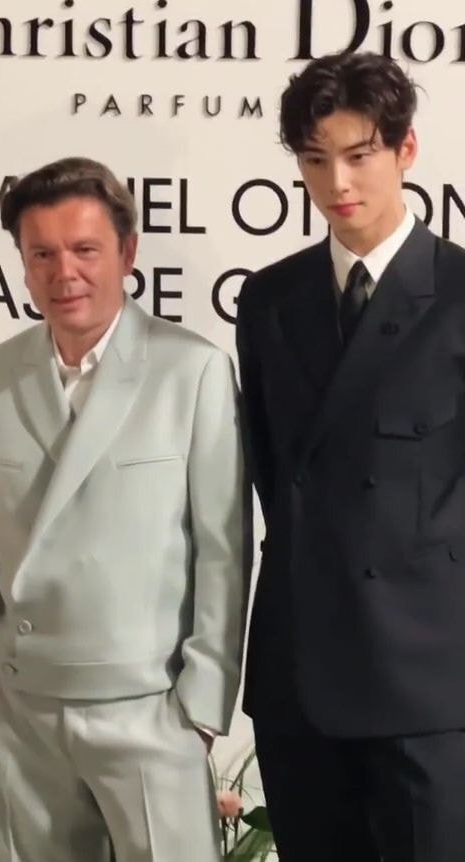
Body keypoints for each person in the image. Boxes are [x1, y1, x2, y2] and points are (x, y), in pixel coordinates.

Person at [0, 156, 249, 862]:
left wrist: (201, 710)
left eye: (85, 250)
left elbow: (223, 550)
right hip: (21, 708)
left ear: (127, 253)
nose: (65, 273)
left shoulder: (191, 369)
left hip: (150, 708)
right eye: (42, 255)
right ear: (22, 265)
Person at [237, 50, 465, 862]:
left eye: (360, 155)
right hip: (301, 674)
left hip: (429, 681)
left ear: (406, 151)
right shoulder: (269, 299)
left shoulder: (459, 292)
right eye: (315, 160)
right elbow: (273, 477)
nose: (338, 182)